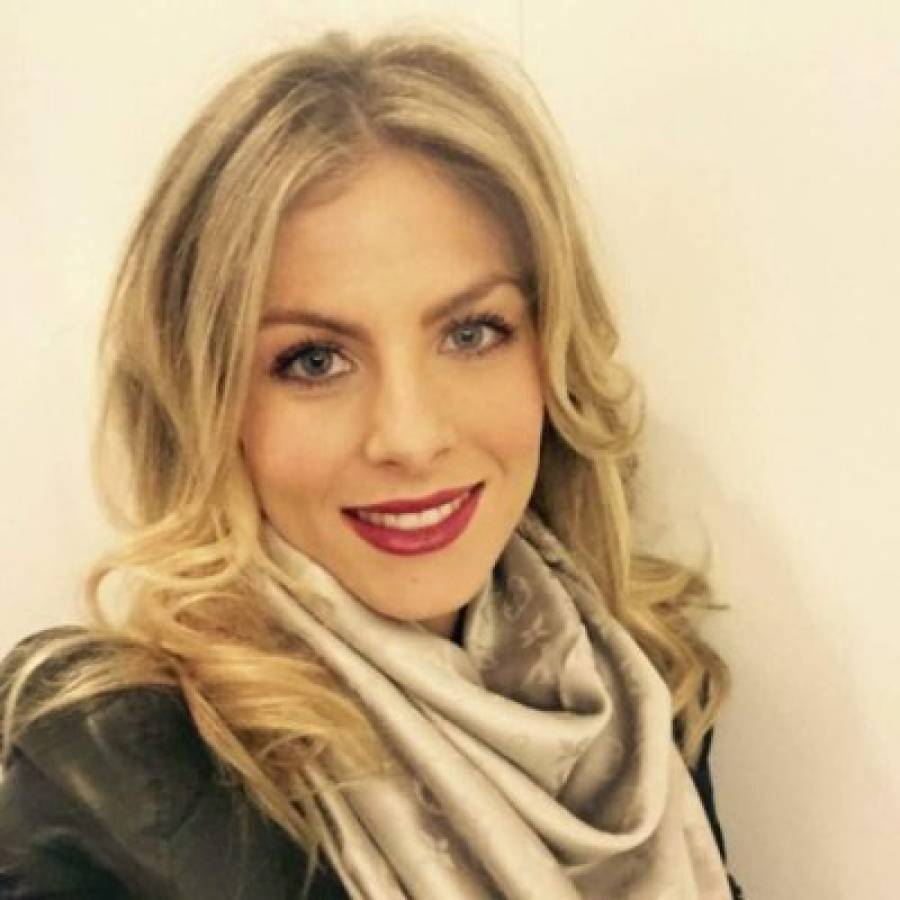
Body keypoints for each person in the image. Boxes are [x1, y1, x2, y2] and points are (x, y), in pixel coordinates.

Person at [0, 27, 744, 900]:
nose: (410, 435)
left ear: (551, 353)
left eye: (472, 333)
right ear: (206, 403)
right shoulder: (118, 779)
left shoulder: (642, 691)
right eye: (314, 360)